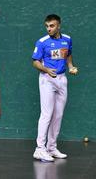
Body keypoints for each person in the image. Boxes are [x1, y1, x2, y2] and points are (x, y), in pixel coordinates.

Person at [32, 14, 78, 162]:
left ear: (59, 26)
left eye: (51, 26)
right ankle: (40, 149)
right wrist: (46, 70)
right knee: (47, 114)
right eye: (47, 26)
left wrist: (70, 66)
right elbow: (35, 62)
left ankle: (51, 147)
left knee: (58, 115)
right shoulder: (42, 42)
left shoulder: (67, 39)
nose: (49, 29)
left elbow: (68, 54)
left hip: (62, 79)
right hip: (47, 80)